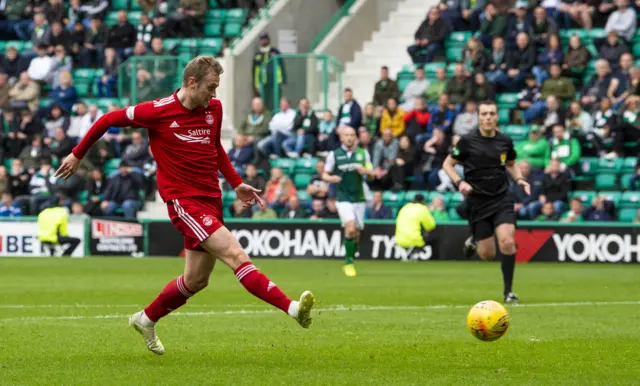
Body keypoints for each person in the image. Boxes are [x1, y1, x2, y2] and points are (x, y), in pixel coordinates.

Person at [54, 56, 316, 355]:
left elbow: (215, 148)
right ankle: (292, 308)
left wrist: (235, 182)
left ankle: (146, 319)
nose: (214, 95)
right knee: (235, 254)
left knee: (196, 280)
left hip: (211, 200)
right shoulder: (157, 111)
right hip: (184, 202)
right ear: (192, 83)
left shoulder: (213, 109)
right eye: (210, 87)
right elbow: (107, 120)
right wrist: (77, 154)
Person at [442, 100, 530, 304]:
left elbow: (511, 164)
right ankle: (475, 238)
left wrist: (519, 180)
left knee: (507, 241)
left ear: (497, 116)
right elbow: (448, 164)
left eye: (492, 113)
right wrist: (459, 182)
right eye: (484, 114)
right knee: (487, 254)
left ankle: (508, 292)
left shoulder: (505, 141)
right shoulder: (466, 141)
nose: (488, 117)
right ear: (478, 117)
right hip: (477, 202)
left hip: (501, 198)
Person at [322, 126, 376, 277]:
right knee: (350, 227)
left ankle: (352, 250)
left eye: (352, 135)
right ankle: (348, 262)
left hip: (359, 198)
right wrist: (331, 178)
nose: (350, 138)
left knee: (357, 232)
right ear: (341, 138)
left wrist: (366, 172)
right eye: (347, 135)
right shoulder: (335, 155)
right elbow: (325, 174)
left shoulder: (362, 153)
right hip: (343, 198)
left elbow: (372, 174)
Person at [394, 194, 436, 261]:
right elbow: (431, 225)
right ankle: (412, 253)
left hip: (399, 239)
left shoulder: (405, 207)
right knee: (427, 232)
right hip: (414, 239)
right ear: (422, 201)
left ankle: (409, 254)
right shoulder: (422, 208)